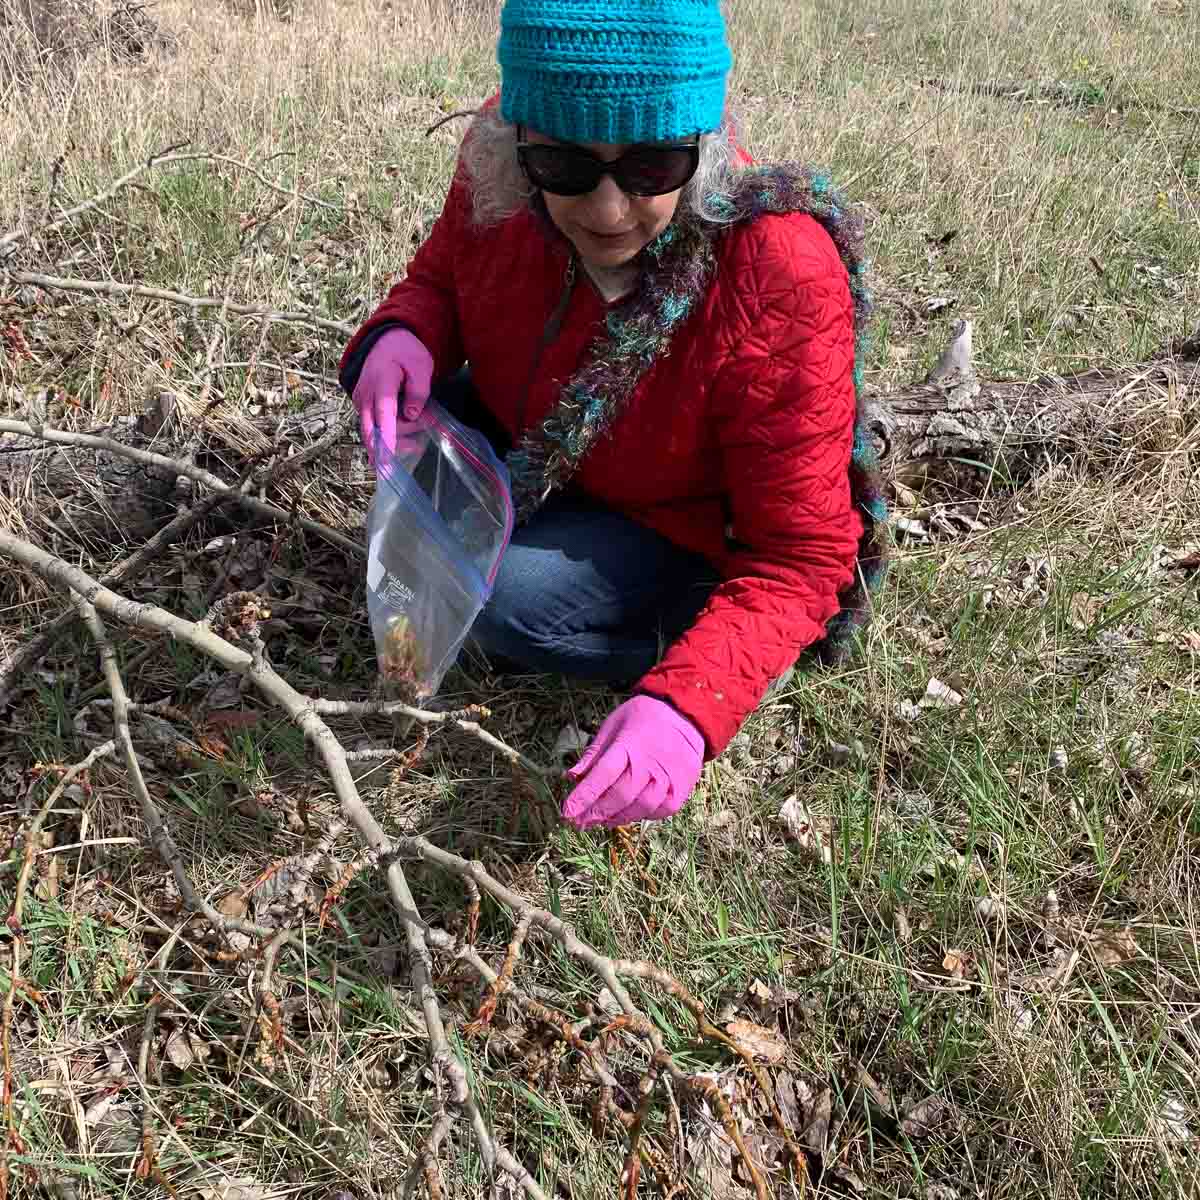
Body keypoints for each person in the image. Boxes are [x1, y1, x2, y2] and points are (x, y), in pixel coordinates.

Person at [340, 0, 887, 832]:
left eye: (651, 166)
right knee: (417, 426)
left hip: (670, 523)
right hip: (536, 441)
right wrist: (404, 330)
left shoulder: (775, 269)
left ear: (699, 144)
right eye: (565, 167)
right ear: (522, 141)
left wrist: (688, 704)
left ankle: (665, 625)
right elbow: (446, 275)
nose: (606, 211)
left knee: (500, 600)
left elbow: (806, 553)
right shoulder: (501, 165)